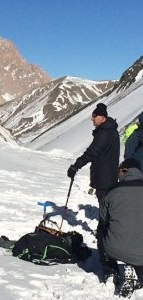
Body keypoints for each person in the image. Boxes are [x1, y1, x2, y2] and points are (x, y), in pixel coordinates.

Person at [67, 103, 120, 270]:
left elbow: (92, 152)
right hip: (110, 176)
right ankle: (106, 231)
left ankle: (106, 238)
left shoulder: (104, 133)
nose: (92, 118)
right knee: (107, 206)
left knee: (104, 207)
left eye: (94, 116)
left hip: (104, 178)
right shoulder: (111, 130)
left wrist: (76, 166)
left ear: (102, 118)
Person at [99, 158, 143, 297]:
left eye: (119, 171)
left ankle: (111, 271)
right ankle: (139, 275)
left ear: (125, 171)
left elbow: (103, 220)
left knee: (101, 231)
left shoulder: (112, 190)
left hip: (114, 248)